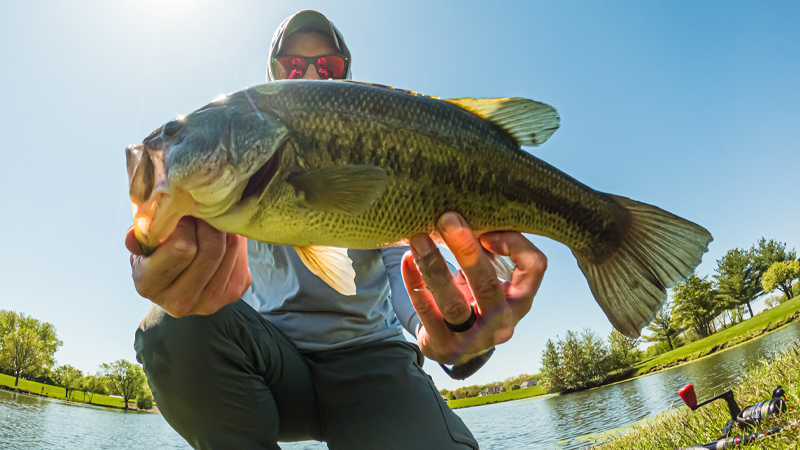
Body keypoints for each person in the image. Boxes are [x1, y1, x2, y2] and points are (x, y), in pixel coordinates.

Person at [129, 10, 546, 450]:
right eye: (292, 66)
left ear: (346, 75)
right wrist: (154, 253)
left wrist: (459, 334)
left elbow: (409, 282)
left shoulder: (374, 154)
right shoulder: (217, 198)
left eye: (327, 67)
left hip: (373, 362)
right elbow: (175, 248)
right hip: (272, 368)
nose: (308, 74)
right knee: (168, 326)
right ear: (270, 81)